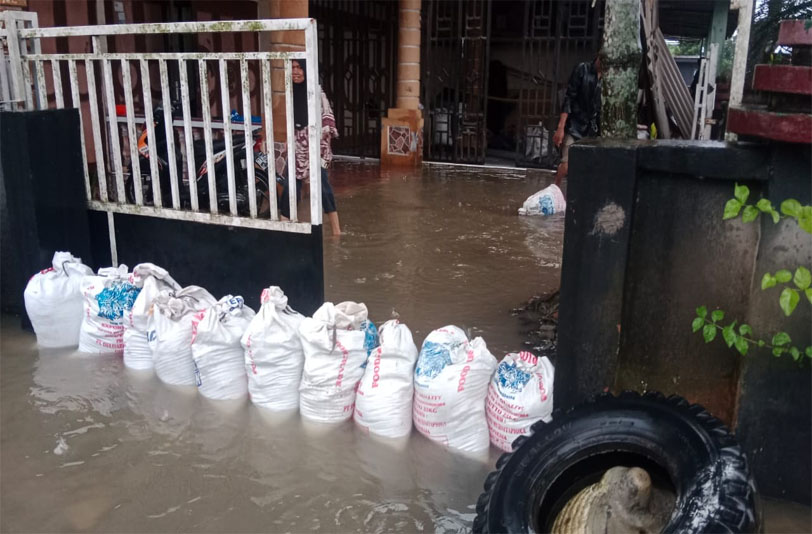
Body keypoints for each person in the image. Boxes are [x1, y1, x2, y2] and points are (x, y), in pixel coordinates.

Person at [278, 58, 341, 236]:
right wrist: (291, 138)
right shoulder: (290, 92)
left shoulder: (317, 92)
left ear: (307, 70)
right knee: (290, 184)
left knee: (323, 185)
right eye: (292, 68)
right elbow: (292, 120)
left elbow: (327, 120)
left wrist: (319, 144)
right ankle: (285, 223)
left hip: (316, 146)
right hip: (297, 146)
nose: (295, 71)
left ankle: (336, 231)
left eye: (299, 67)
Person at [553, 54, 602, 188]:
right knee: (567, 163)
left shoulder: (608, 78)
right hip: (574, 123)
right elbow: (569, 98)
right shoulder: (582, 69)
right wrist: (561, 127)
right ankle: (556, 187)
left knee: (586, 167)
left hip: (592, 128)